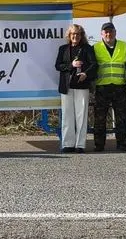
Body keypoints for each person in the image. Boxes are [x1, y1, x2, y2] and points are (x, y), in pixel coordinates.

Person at [54, 24, 97, 153]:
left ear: (81, 35)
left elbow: (94, 65)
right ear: (69, 35)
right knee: (67, 116)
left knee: (81, 117)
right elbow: (58, 66)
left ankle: (80, 145)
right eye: (73, 34)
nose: (75, 36)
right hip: (66, 87)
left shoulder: (87, 49)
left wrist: (86, 74)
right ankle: (68, 144)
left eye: (78, 34)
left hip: (82, 87)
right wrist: (71, 65)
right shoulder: (63, 49)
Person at [92, 22, 126, 152]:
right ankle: (99, 145)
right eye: (106, 32)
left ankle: (122, 144)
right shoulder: (95, 47)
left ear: (115, 32)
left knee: (121, 118)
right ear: (101, 34)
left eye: (111, 31)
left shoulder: (124, 46)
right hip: (102, 87)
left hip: (120, 86)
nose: (108, 34)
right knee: (99, 118)